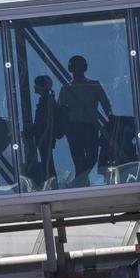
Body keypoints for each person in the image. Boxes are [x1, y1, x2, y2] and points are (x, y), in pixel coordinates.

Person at [58, 55, 112, 186]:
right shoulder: (67, 88)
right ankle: (81, 182)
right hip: (75, 127)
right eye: (75, 67)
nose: (77, 70)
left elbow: (105, 104)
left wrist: (110, 117)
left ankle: (79, 182)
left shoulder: (91, 85)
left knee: (90, 157)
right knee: (80, 160)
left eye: (79, 67)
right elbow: (60, 110)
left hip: (87, 127)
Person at [22, 74, 60, 188]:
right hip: (44, 136)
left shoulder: (46, 102)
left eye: (36, 85)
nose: (34, 87)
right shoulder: (48, 101)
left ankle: (51, 184)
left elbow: (43, 122)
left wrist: (33, 131)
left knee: (47, 162)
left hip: (44, 137)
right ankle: (51, 183)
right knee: (47, 161)